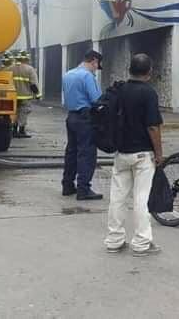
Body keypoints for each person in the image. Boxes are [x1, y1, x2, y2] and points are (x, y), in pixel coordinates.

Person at [105, 53, 164, 256]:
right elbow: (153, 127)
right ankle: (141, 243)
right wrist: (159, 153)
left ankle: (114, 240)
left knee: (117, 198)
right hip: (142, 154)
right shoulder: (148, 93)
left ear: (130, 69)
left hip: (121, 152)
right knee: (141, 199)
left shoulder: (119, 90)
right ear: (149, 71)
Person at [61, 50, 104, 201]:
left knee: (71, 152)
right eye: (96, 65)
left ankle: (67, 185)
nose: (96, 69)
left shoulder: (68, 74)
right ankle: (83, 189)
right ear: (94, 61)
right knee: (86, 153)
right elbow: (96, 100)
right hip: (85, 118)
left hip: (71, 117)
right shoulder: (87, 76)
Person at [11, 50, 41, 138]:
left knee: (14, 112)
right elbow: (33, 84)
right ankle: (21, 131)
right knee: (23, 112)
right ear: (26, 59)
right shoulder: (29, 69)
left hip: (12, 96)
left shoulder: (10, 68)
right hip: (25, 96)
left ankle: (14, 130)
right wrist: (38, 95)